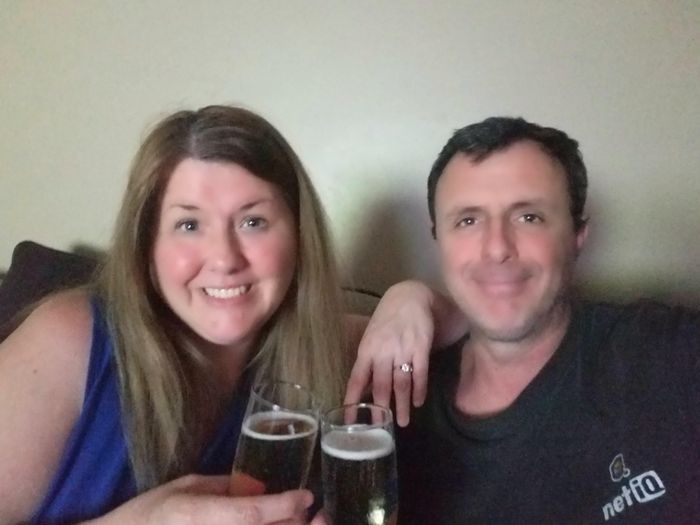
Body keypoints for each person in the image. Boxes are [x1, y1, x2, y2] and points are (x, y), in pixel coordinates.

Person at [0, 105, 381, 524]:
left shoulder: (315, 349)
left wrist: (412, 300)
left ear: (300, 238)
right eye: (189, 225)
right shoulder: (69, 339)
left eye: (253, 221)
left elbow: (410, 334)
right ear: (147, 247)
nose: (224, 259)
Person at [349, 117, 700, 523]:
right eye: (468, 220)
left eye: (529, 217)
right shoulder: (391, 404)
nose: (497, 248)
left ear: (578, 237)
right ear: (438, 242)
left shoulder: (666, 353)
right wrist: (405, 295)